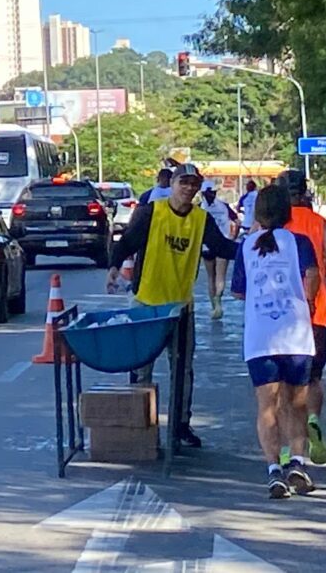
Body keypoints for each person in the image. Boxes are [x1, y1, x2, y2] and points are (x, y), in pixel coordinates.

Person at [107, 164, 238, 448]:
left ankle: (180, 426)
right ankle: (139, 426)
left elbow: (222, 247)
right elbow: (127, 242)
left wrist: (255, 247)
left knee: (182, 369)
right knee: (142, 368)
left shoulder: (201, 219)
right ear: (173, 184)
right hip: (146, 305)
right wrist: (114, 267)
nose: (189, 189)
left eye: (194, 184)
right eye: (184, 183)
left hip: (180, 308)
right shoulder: (152, 212)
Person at [231, 184, 321, 498]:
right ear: (287, 212)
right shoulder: (299, 242)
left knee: (267, 407)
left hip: (260, 339)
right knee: (296, 405)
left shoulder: (246, 246)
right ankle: (297, 462)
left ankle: (273, 468)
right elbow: (312, 276)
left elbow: (239, 291)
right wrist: (307, 301)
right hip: (296, 334)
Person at [277, 170, 326, 466]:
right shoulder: (317, 221)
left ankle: (287, 447)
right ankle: (314, 418)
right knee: (313, 377)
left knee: (281, 385)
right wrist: (320, 268)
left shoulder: (271, 223)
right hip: (315, 314)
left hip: (278, 317)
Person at [199, 180, 238, 320]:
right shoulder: (224, 206)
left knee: (211, 277)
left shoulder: (199, 208)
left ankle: (213, 306)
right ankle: (218, 302)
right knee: (220, 276)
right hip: (224, 244)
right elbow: (237, 221)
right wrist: (233, 237)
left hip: (206, 246)